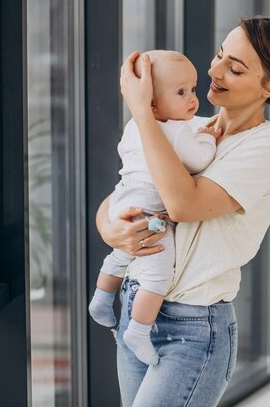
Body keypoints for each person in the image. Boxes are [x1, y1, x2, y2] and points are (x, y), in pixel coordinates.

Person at [96, 16, 270, 407]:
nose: (214, 70)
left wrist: (144, 113)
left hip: (194, 329)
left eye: (235, 67)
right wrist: (110, 230)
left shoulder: (267, 145)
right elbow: (126, 190)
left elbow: (184, 204)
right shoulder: (186, 126)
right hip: (138, 304)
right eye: (219, 55)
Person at [89, 50, 221, 366]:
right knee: (159, 274)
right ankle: (139, 329)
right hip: (151, 214)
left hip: (122, 201)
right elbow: (199, 160)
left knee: (121, 253)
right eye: (181, 92)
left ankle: (102, 299)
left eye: (192, 88)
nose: (193, 99)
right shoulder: (177, 131)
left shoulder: (135, 126)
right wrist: (209, 140)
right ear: (150, 102)